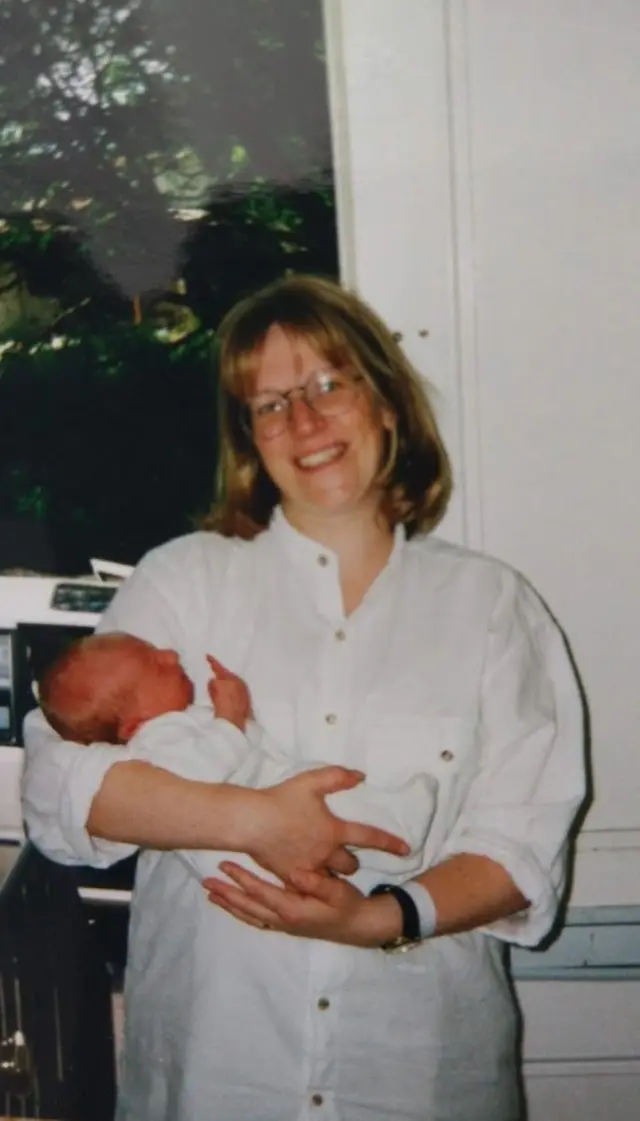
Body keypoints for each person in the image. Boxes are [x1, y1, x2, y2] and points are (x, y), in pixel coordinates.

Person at [22, 273, 585, 1121]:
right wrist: (256, 822)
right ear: (249, 437)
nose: (305, 421)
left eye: (328, 384)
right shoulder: (183, 581)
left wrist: (379, 917)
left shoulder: (494, 607)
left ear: (388, 402)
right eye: (271, 402)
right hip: (215, 1076)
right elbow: (57, 790)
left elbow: (521, 848)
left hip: (419, 1078)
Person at [37, 630, 438, 884]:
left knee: (324, 793)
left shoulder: (173, 725)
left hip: (258, 826)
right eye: (155, 665)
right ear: (131, 724)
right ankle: (403, 826)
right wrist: (230, 717)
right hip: (242, 846)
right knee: (334, 800)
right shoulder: (156, 742)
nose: (171, 656)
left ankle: (393, 847)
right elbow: (197, 776)